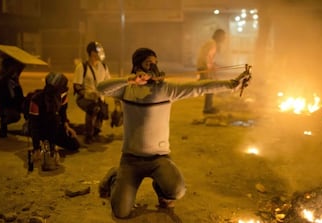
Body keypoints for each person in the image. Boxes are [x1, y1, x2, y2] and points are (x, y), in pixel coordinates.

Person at [96, 48, 251, 218]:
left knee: (176, 190)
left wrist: (230, 84)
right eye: (148, 63)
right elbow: (101, 88)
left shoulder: (166, 89)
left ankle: (162, 191)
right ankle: (115, 177)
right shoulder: (126, 90)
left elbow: (199, 87)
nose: (153, 67)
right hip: (130, 160)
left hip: (158, 158)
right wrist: (130, 80)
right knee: (121, 211)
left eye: (155, 63)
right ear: (137, 65)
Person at [27, 72, 80, 171]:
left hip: (55, 128)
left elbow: (63, 114)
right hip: (40, 130)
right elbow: (34, 124)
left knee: (74, 145)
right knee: (54, 120)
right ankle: (48, 146)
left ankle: (51, 145)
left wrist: (67, 126)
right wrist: (36, 148)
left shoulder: (62, 97)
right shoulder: (36, 99)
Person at [73, 41, 111, 144]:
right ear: (92, 53)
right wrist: (87, 94)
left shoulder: (104, 67)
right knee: (93, 108)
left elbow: (109, 82)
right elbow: (77, 85)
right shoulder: (82, 67)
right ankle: (88, 136)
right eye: (98, 51)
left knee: (102, 114)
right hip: (84, 98)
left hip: (100, 98)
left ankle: (91, 131)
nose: (101, 53)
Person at [0, 55, 25, 137]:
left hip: (14, 103)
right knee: (14, 116)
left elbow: (18, 93)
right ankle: (3, 124)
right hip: (2, 105)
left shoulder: (13, 78)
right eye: (13, 68)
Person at [196, 28, 227, 114]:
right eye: (223, 36)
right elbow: (206, 57)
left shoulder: (211, 43)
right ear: (219, 36)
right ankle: (207, 108)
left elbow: (208, 57)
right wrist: (209, 68)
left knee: (210, 87)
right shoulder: (212, 43)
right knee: (210, 87)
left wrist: (213, 65)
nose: (224, 39)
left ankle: (208, 107)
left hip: (204, 68)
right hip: (204, 68)